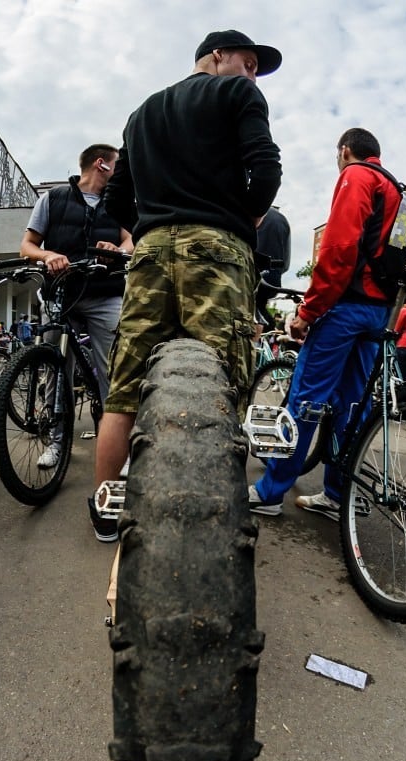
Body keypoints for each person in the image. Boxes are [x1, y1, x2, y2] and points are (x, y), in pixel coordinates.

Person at [90, 29, 282, 541]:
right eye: (248, 62)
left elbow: (114, 201)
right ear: (217, 55)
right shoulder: (237, 93)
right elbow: (266, 171)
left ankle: (107, 512)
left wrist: (150, 225)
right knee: (223, 386)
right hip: (218, 253)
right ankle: (214, 526)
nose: (252, 74)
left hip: (150, 252)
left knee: (125, 389)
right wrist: (237, 218)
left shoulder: (143, 112)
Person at [249, 127, 401, 521]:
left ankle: (269, 492)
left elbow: (338, 250)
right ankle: (337, 492)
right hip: (378, 311)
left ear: (345, 151)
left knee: (307, 398)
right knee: (353, 403)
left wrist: (308, 312)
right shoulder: (395, 189)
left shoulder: (357, 176)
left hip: (345, 308)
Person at [20, 144, 133, 468]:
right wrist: (47, 255)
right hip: (61, 295)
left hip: (105, 294)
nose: (121, 173)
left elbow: (131, 240)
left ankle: (117, 448)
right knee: (56, 370)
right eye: (118, 166)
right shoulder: (52, 199)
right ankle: (57, 443)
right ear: (102, 165)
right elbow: (27, 244)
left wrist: (117, 248)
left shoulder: (119, 201)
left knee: (113, 372)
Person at [256, 206, 291, 287]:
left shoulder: (254, 211)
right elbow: (286, 261)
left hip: (252, 273)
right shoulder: (281, 219)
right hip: (274, 275)